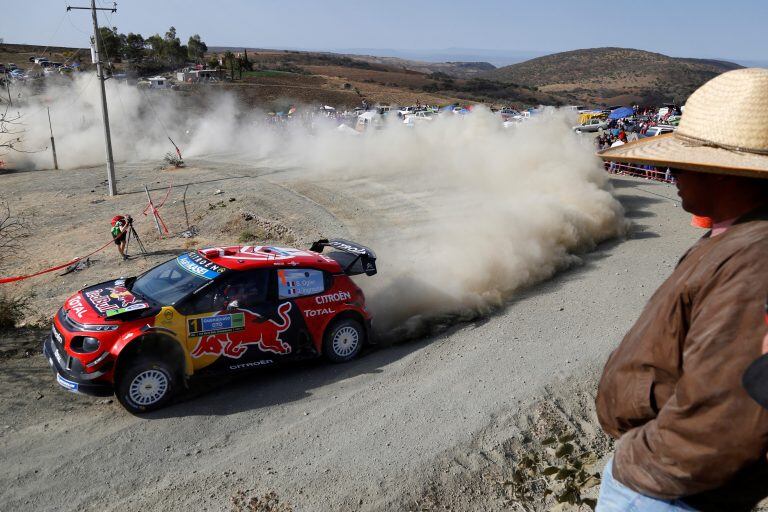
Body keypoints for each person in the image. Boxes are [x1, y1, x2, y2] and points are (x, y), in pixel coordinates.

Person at [594, 68, 768, 511]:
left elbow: (725, 419)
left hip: (664, 491)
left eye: (685, 161)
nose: (670, 170)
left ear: (727, 173)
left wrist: (637, 464)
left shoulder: (755, 259)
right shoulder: (736, 238)